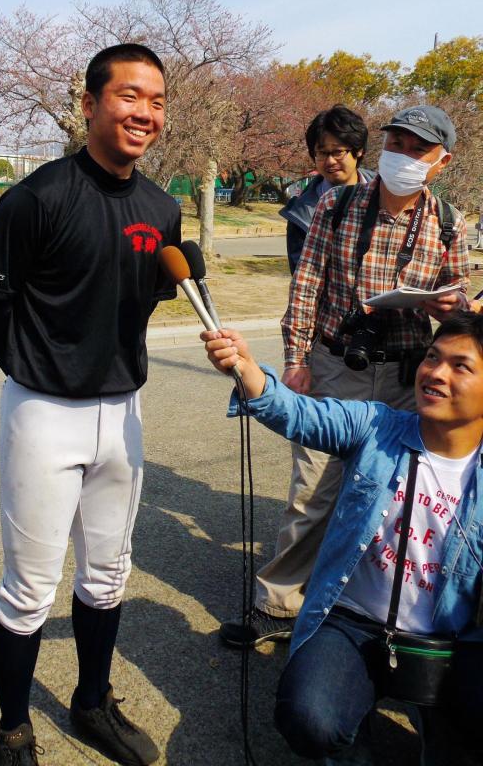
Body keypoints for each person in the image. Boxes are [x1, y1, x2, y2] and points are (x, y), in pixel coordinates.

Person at [0, 44, 181, 766]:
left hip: (123, 413)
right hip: (43, 413)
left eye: (155, 101)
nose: (144, 114)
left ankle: (92, 702)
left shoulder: (163, 206)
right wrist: (38, 373)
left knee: (108, 575)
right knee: (29, 589)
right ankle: (12, 730)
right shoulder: (36, 198)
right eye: (128, 96)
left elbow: (140, 295)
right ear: (89, 104)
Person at [221, 105, 471, 650]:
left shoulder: (450, 223)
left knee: (393, 492)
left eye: (416, 148)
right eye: (395, 143)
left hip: (409, 378)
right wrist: (296, 359)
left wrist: (451, 306)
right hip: (337, 364)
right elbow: (305, 287)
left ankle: (369, 604)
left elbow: (460, 321)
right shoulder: (335, 206)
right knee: (313, 489)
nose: (401, 156)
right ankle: (278, 603)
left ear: (441, 160)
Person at [201, 315, 483, 765]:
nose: (436, 373)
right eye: (432, 357)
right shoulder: (377, 427)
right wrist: (248, 368)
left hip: (447, 640)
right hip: (353, 623)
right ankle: (351, 741)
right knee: (311, 719)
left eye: (460, 366)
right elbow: (298, 413)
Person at [280, 105, 374, 274]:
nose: (330, 161)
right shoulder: (301, 213)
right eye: (322, 153)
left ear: (359, 150)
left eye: (338, 152)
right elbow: (303, 275)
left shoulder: (386, 195)